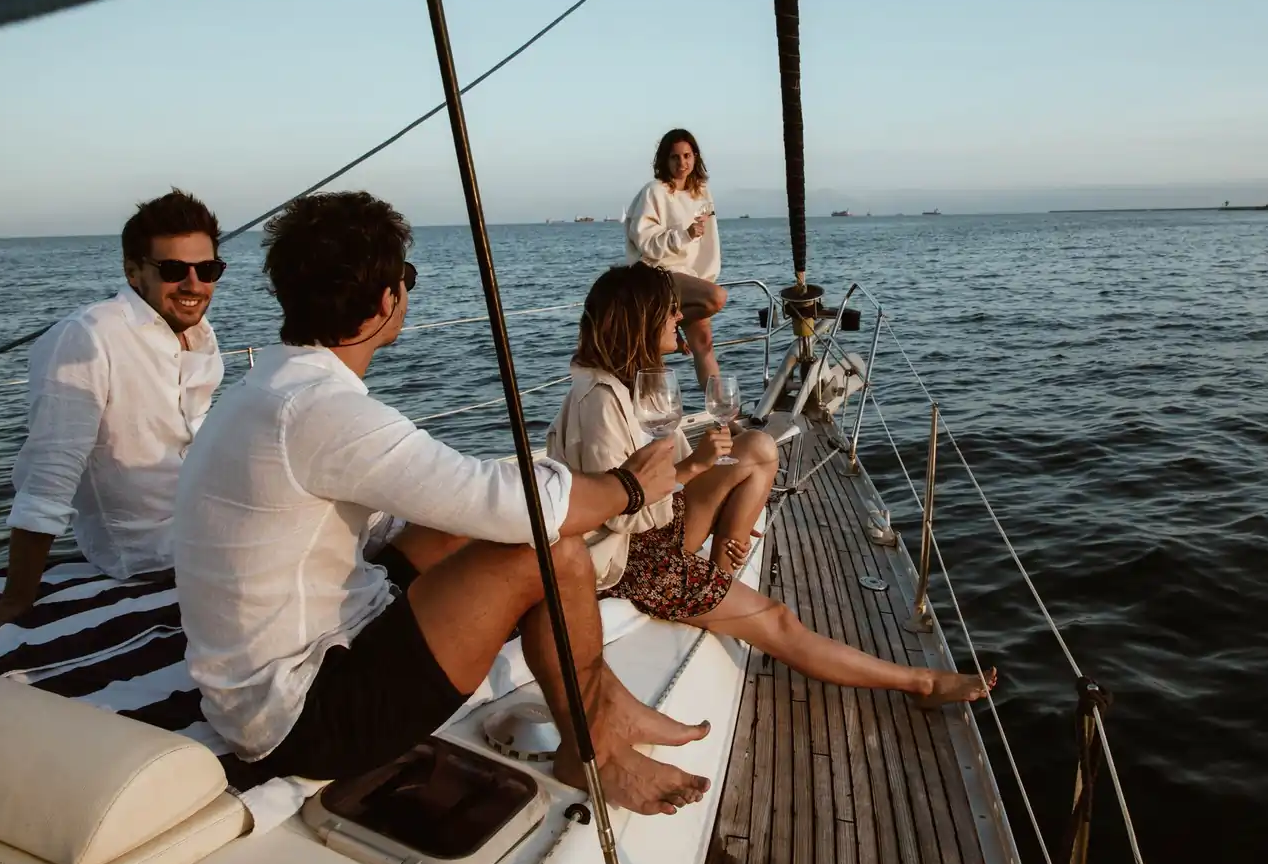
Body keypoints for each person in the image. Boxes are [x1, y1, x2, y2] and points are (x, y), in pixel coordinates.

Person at [173, 191, 710, 816]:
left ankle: (604, 701)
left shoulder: (273, 386)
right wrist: (633, 486)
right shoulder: (320, 410)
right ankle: (596, 749)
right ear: (384, 302)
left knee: (459, 529)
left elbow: (428, 510)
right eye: (406, 278)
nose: (407, 291)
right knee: (552, 551)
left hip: (276, 664)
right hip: (304, 716)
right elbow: (520, 511)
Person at [548, 264, 996, 709]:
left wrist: (719, 504)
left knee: (758, 445)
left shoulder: (631, 384)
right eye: (668, 311)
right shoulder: (599, 405)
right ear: (639, 320)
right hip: (633, 563)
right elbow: (617, 510)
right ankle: (922, 684)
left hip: (657, 527)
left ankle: (722, 566)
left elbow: (663, 479)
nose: (678, 318)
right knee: (779, 622)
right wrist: (693, 468)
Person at [0, 189, 225, 638]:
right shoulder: (87, 339)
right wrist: (15, 600)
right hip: (150, 554)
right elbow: (48, 476)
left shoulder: (199, 335)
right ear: (133, 271)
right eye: (174, 269)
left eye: (208, 269)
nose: (194, 284)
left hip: (205, 525)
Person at [624, 128, 725, 387]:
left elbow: (709, 245)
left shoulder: (702, 193)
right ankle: (665, 328)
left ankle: (721, 417)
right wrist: (683, 235)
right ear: (664, 160)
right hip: (657, 273)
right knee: (717, 296)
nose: (682, 163)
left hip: (689, 279)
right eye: (675, 157)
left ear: (695, 157)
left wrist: (704, 278)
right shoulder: (654, 191)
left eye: (687, 156)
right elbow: (643, 241)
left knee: (704, 344)